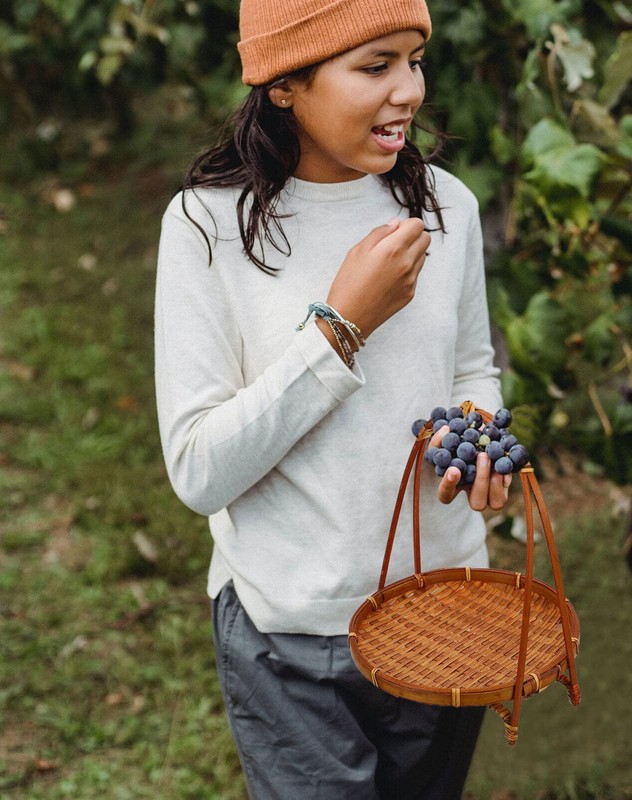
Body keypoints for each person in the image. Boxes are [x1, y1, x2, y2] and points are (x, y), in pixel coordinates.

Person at [154, 0, 509, 797]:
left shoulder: (447, 207)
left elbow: (471, 372)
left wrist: (478, 436)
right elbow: (199, 470)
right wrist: (342, 327)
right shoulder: (208, 226)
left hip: (443, 610)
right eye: (375, 66)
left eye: (414, 60)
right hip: (289, 634)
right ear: (285, 83)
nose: (409, 90)